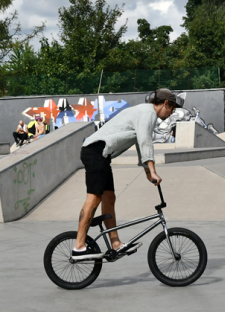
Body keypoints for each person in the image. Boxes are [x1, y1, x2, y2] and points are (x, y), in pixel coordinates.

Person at [72, 88, 178, 260]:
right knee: (94, 198)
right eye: (172, 108)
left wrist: (147, 172)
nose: (172, 113)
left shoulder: (143, 112)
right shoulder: (148, 112)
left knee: (109, 198)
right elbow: (145, 140)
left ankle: (115, 243)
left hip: (101, 154)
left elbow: (139, 142)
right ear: (166, 103)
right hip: (95, 151)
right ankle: (79, 246)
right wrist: (152, 170)